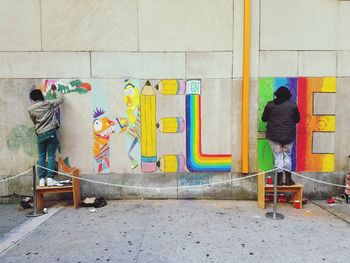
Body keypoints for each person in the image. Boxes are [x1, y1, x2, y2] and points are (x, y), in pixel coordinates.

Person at [262, 86, 300, 186]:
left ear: (277, 94)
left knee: (278, 157)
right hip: (288, 136)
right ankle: (288, 180)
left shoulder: (270, 105)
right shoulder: (292, 105)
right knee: (287, 156)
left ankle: (279, 181)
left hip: (273, 136)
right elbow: (297, 119)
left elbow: (264, 119)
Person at [29, 85, 64, 186]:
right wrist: (55, 90)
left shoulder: (31, 109)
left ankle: (41, 180)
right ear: (41, 96)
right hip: (50, 132)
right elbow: (61, 99)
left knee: (41, 156)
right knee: (51, 156)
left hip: (40, 134)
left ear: (32, 99)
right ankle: (49, 178)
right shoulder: (48, 103)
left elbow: (34, 122)